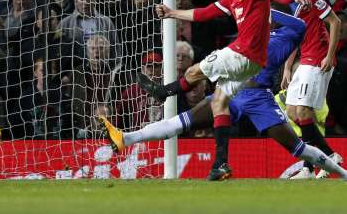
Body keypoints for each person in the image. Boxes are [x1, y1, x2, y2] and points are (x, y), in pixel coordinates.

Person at [100, 9, 347, 181]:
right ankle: (126, 138)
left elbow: (298, 23)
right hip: (232, 91)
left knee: (298, 147)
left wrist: (268, 6)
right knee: (184, 121)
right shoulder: (261, 33)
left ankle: (343, 174)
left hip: (259, 98)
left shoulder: (293, 32)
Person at [136, 0, 310, 178]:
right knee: (219, 103)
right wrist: (171, 13)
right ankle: (220, 164)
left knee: (193, 70)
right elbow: (204, 13)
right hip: (248, 66)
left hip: (243, 55)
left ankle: (163, 91)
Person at [276, 0, 343, 179]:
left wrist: (330, 55)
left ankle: (325, 158)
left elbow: (335, 22)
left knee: (303, 112)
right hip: (305, 59)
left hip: (318, 59)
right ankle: (314, 163)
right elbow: (294, 34)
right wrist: (287, 67)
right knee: (293, 112)